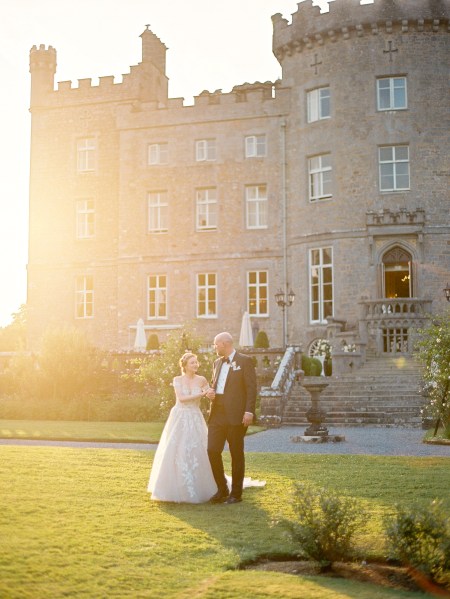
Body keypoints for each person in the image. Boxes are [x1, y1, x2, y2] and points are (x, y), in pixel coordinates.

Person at [147, 352, 217, 503]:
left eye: (196, 362)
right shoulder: (177, 379)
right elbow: (182, 399)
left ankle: (206, 487)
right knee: (177, 448)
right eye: (192, 362)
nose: (196, 364)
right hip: (179, 417)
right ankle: (173, 488)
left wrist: (210, 393)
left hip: (195, 417)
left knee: (198, 449)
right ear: (185, 366)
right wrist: (202, 394)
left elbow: (211, 394)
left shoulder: (202, 380)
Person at [206, 331, 257, 504]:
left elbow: (251, 388)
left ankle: (236, 494)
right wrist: (211, 393)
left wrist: (249, 411)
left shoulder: (245, 361)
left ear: (224, 344)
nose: (214, 347)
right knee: (212, 450)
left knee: (236, 454)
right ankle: (222, 489)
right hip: (217, 414)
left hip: (236, 416)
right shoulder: (216, 363)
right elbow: (217, 385)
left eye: (215, 344)